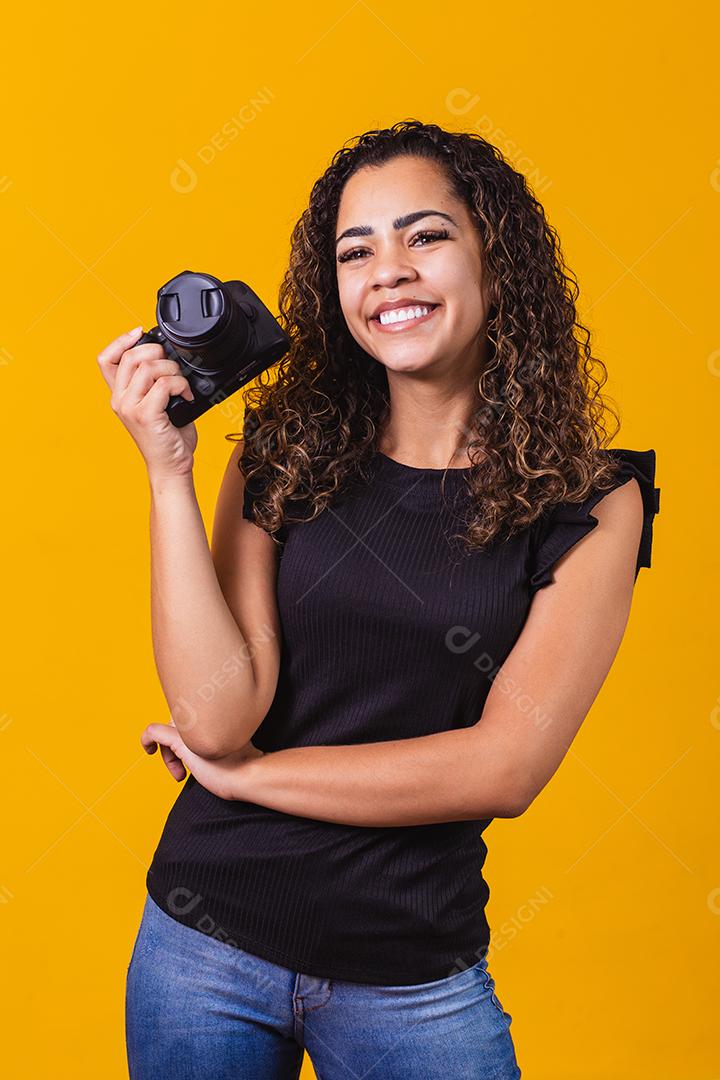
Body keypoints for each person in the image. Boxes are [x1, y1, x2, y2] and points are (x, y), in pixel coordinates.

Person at [97, 120, 660, 1080]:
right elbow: (217, 715)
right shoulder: (286, 449)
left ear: (496, 262)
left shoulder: (591, 500)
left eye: (425, 236)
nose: (387, 271)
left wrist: (248, 781)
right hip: (204, 952)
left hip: (412, 983)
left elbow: (504, 767)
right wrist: (167, 477)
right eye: (357, 252)